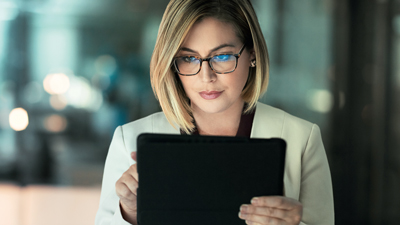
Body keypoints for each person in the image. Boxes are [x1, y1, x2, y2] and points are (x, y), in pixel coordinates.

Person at [95, 0, 334, 224]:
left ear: (252, 54)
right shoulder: (129, 140)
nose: (206, 76)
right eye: (188, 58)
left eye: (222, 56)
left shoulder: (302, 139)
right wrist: (131, 214)